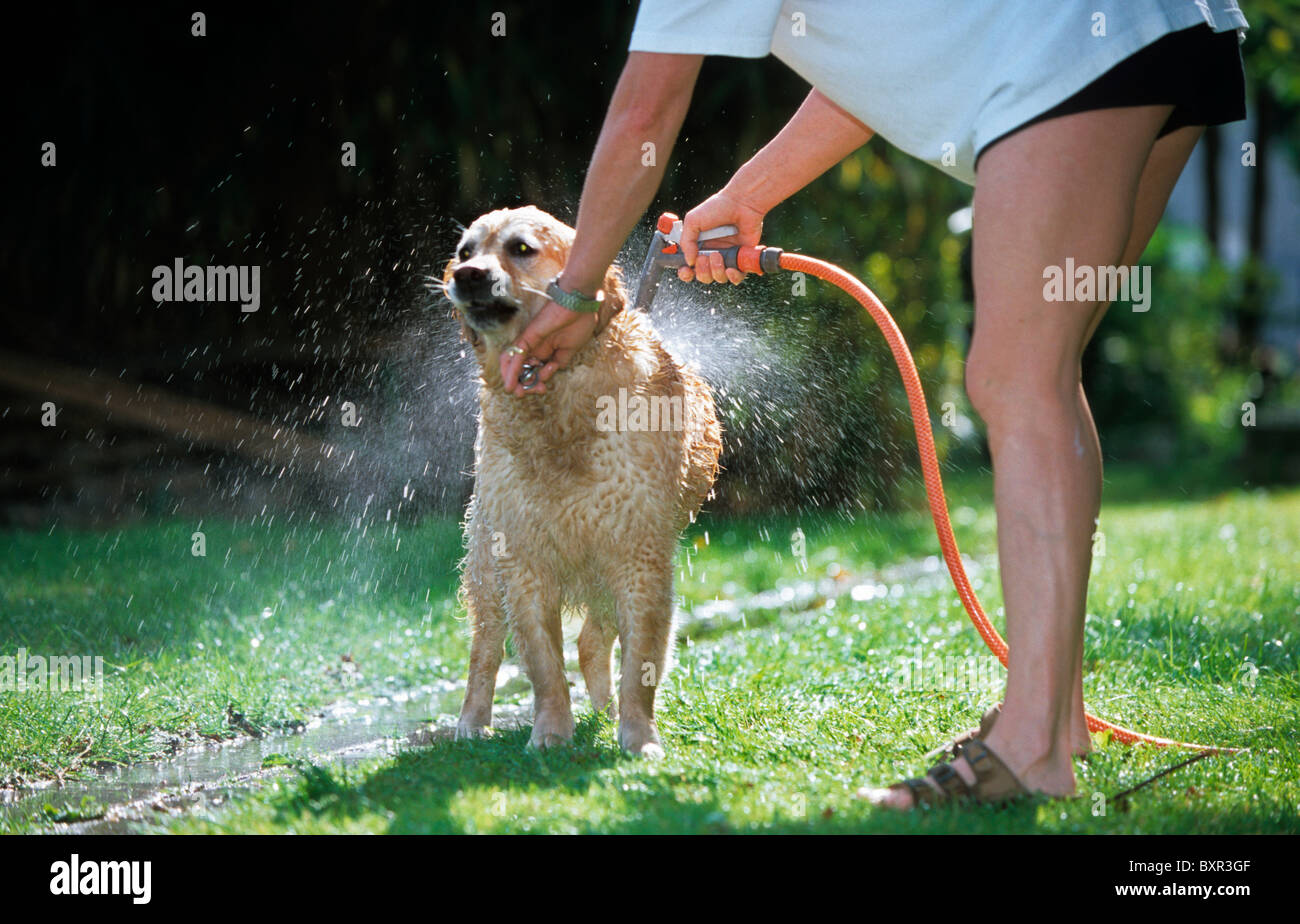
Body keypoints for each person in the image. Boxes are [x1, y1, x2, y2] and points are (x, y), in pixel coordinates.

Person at [497, 1, 1249, 807]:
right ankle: (1053, 724)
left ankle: (1032, 747)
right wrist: (750, 193)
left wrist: (575, 296)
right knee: (1045, 373)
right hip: (1174, 32)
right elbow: (878, 69)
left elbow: (646, 107)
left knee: (1015, 377)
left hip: (1071, 47)